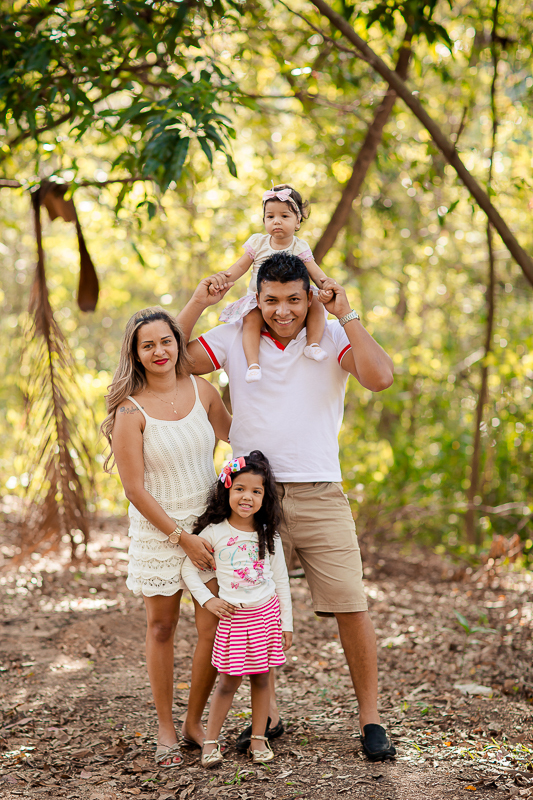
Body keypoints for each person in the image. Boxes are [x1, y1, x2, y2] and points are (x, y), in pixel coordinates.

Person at [177, 252, 397, 762]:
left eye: (294, 299)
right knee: (248, 601)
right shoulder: (235, 338)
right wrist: (197, 301)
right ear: (257, 298)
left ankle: (371, 720)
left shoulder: (331, 339)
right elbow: (175, 358)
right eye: (271, 300)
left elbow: (380, 377)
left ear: (308, 296)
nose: (283, 310)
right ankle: (267, 713)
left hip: (321, 491)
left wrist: (347, 314)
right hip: (251, 499)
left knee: (350, 604)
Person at [101, 307, 232, 768]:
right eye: (148, 345)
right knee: (161, 627)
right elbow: (134, 489)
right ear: (136, 354)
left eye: (166, 342)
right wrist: (181, 538)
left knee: (212, 628)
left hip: (209, 528)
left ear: (179, 344)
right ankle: (164, 726)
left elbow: (240, 443)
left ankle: (195, 721)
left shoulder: (203, 391)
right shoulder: (129, 410)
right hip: (159, 531)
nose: (159, 351)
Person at [181, 450, 292, 768]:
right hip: (235, 619)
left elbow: (281, 580)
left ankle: (259, 739)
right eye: (240, 488)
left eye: (256, 491)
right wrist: (208, 600)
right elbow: (189, 571)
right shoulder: (214, 533)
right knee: (228, 681)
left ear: (264, 496)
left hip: (266, 616)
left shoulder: (268, 534)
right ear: (227, 489)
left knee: (261, 679)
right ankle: (211, 743)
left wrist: (287, 624)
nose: (248, 497)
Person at [206, 184, 333, 383]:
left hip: (292, 298)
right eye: (270, 216)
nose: (277, 222)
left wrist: (327, 286)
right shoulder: (258, 243)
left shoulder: (299, 246)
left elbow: (315, 272)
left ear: (298, 221)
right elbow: (240, 267)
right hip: (261, 300)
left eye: (284, 216)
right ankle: (253, 364)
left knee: (316, 303)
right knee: (250, 321)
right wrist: (224, 279)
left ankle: (313, 345)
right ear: (264, 220)